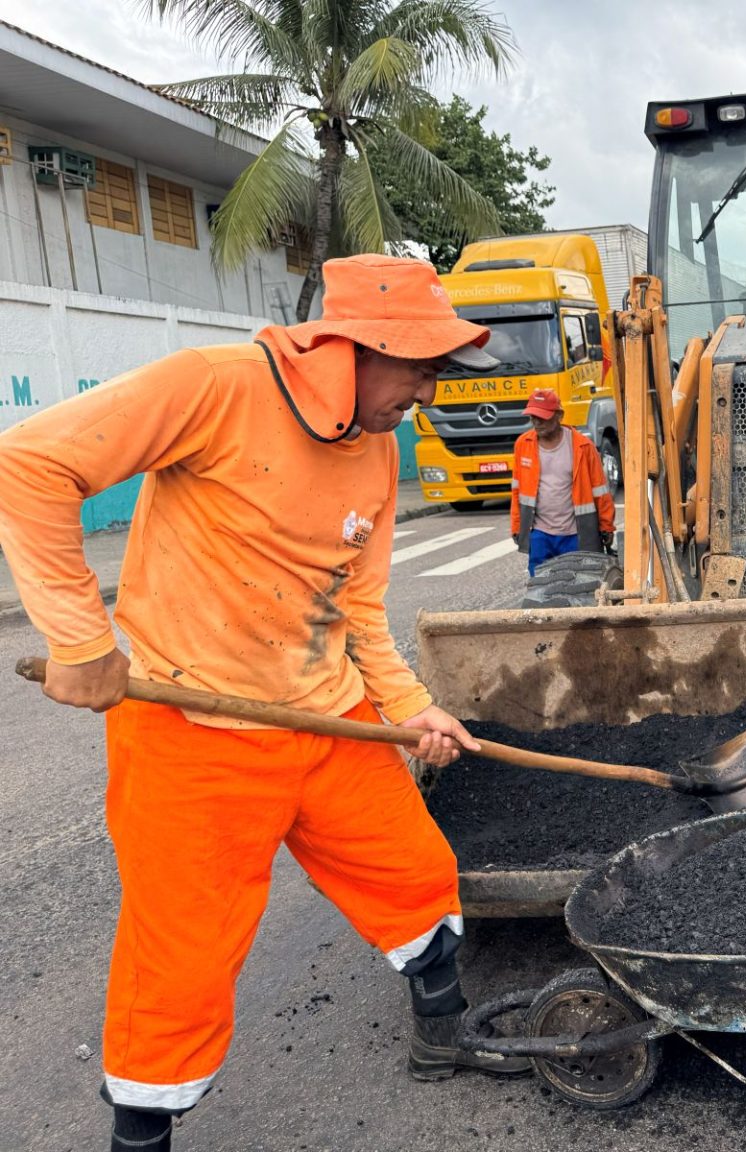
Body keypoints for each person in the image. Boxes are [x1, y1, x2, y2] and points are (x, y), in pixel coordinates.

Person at [0, 255, 530, 1152]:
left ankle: (443, 1038)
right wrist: (82, 642)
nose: (428, 396)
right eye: (420, 370)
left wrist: (410, 708)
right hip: (190, 731)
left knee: (415, 876)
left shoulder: (373, 451)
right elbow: (29, 464)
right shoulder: (214, 386)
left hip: (329, 718)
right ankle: (141, 1139)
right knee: (182, 958)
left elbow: (357, 606)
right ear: (353, 347)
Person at [510, 388, 616, 576]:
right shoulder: (523, 445)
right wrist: (517, 526)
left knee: (581, 582)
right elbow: (517, 491)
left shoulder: (583, 447)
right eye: (533, 417)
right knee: (539, 583)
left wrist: (606, 526)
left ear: (559, 415)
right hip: (541, 534)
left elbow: (600, 490)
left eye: (542, 417)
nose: (537, 422)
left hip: (576, 534)